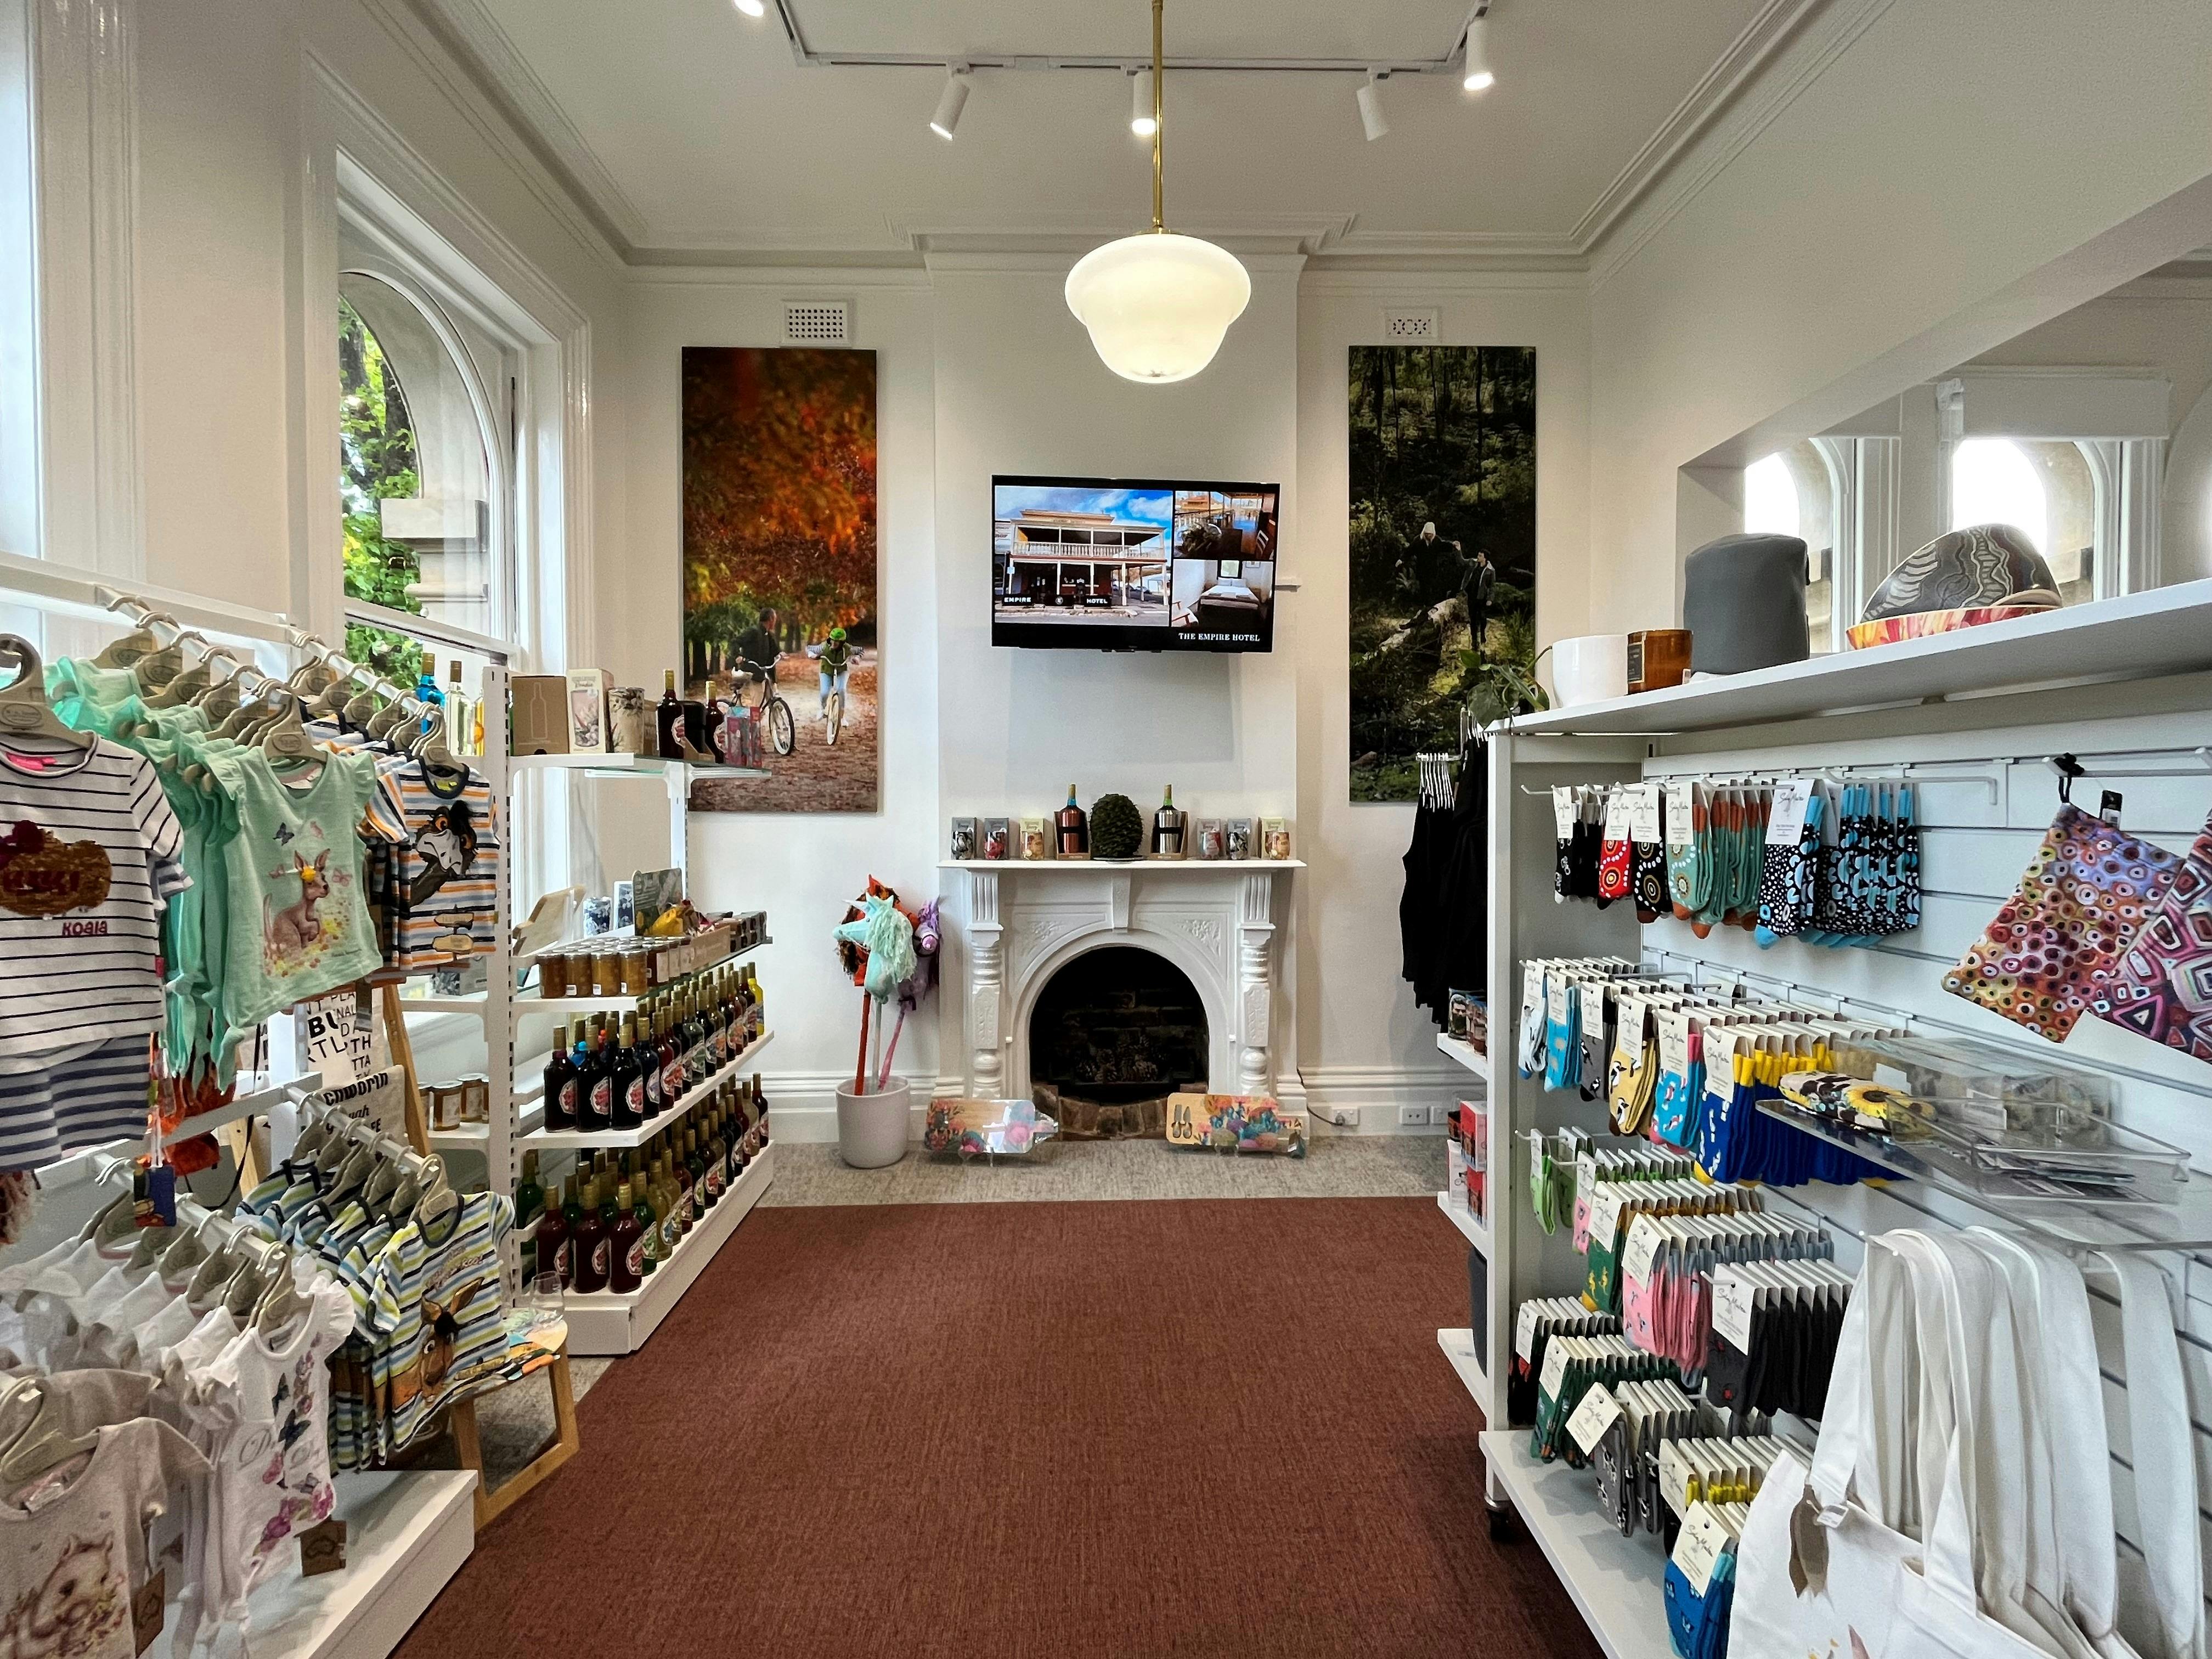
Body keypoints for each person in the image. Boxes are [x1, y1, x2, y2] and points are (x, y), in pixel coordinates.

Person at [814, 625, 853, 718]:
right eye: (833, 640)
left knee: (841, 690)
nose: (834, 643)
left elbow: (855, 654)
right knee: (824, 693)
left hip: (841, 670)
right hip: (826, 670)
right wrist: (814, 655)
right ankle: (823, 709)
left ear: (842, 643)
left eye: (837, 641)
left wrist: (855, 658)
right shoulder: (824, 646)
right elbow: (813, 651)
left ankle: (842, 716)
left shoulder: (846, 648)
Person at [735, 607, 781, 678]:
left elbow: (773, 655)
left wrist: (780, 654)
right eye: (775, 619)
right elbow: (736, 642)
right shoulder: (753, 632)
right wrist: (738, 656)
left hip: (762, 675)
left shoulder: (769, 635)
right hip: (750, 674)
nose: (775, 622)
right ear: (771, 619)